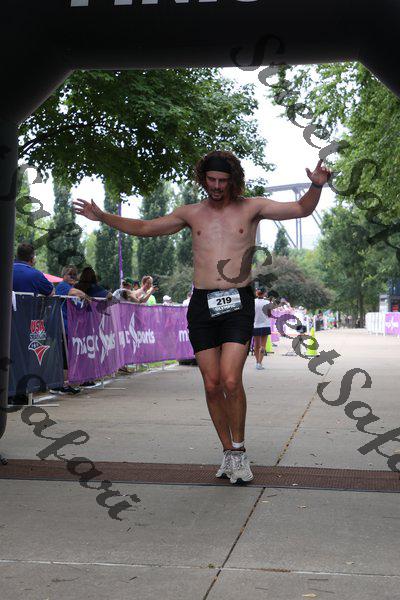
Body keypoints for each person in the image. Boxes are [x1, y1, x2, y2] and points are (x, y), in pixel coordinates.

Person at [74, 150, 331, 485]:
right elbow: (145, 227)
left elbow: (300, 208)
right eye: (211, 180)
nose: (217, 186)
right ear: (203, 179)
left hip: (238, 302)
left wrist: (316, 186)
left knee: (230, 380)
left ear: (233, 180)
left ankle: (239, 450)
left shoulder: (252, 207)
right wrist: (103, 216)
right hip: (202, 305)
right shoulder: (191, 213)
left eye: (223, 180)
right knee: (211, 385)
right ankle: (228, 453)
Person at [51, 265, 81, 395]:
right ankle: (60, 385)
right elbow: (74, 293)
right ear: (63, 276)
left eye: (75, 274)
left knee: (67, 355)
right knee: (63, 356)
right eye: (70, 274)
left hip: (69, 328)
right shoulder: (63, 286)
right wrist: (85, 295)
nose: (73, 276)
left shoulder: (72, 288)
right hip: (61, 326)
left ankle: (64, 384)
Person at [252, 287, 272, 370]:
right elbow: (269, 314)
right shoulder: (267, 302)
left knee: (256, 346)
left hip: (255, 325)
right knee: (263, 346)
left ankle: (257, 362)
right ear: (264, 293)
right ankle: (260, 363)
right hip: (265, 325)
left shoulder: (253, 302)